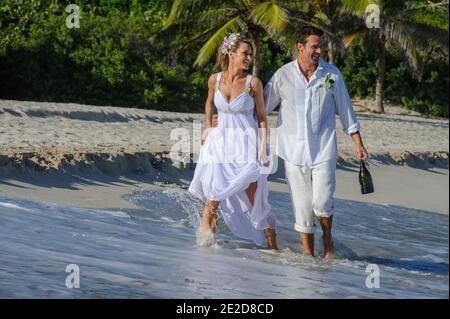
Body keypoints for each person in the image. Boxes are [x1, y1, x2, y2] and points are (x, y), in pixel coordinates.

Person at [264, 26, 368, 259]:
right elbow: (263, 106)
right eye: (314, 46)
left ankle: (327, 238)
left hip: (323, 147)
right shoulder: (283, 75)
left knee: (322, 201)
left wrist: (358, 142)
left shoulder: (331, 74)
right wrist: (232, 119)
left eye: (321, 46)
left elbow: (345, 109)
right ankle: (309, 256)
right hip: (293, 150)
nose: (319, 51)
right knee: (302, 208)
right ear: (300, 47)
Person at [189, 33, 278, 249]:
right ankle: (206, 246)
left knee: (255, 199)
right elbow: (209, 103)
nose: (249, 58)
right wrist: (208, 126)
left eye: (250, 55)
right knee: (213, 197)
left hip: (247, 146)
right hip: (219, 144)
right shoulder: (215, 79)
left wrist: (263, 148)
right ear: (231, 54)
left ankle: (273, 248)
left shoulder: (253, 83)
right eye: (245, 54)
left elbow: (263, 119)